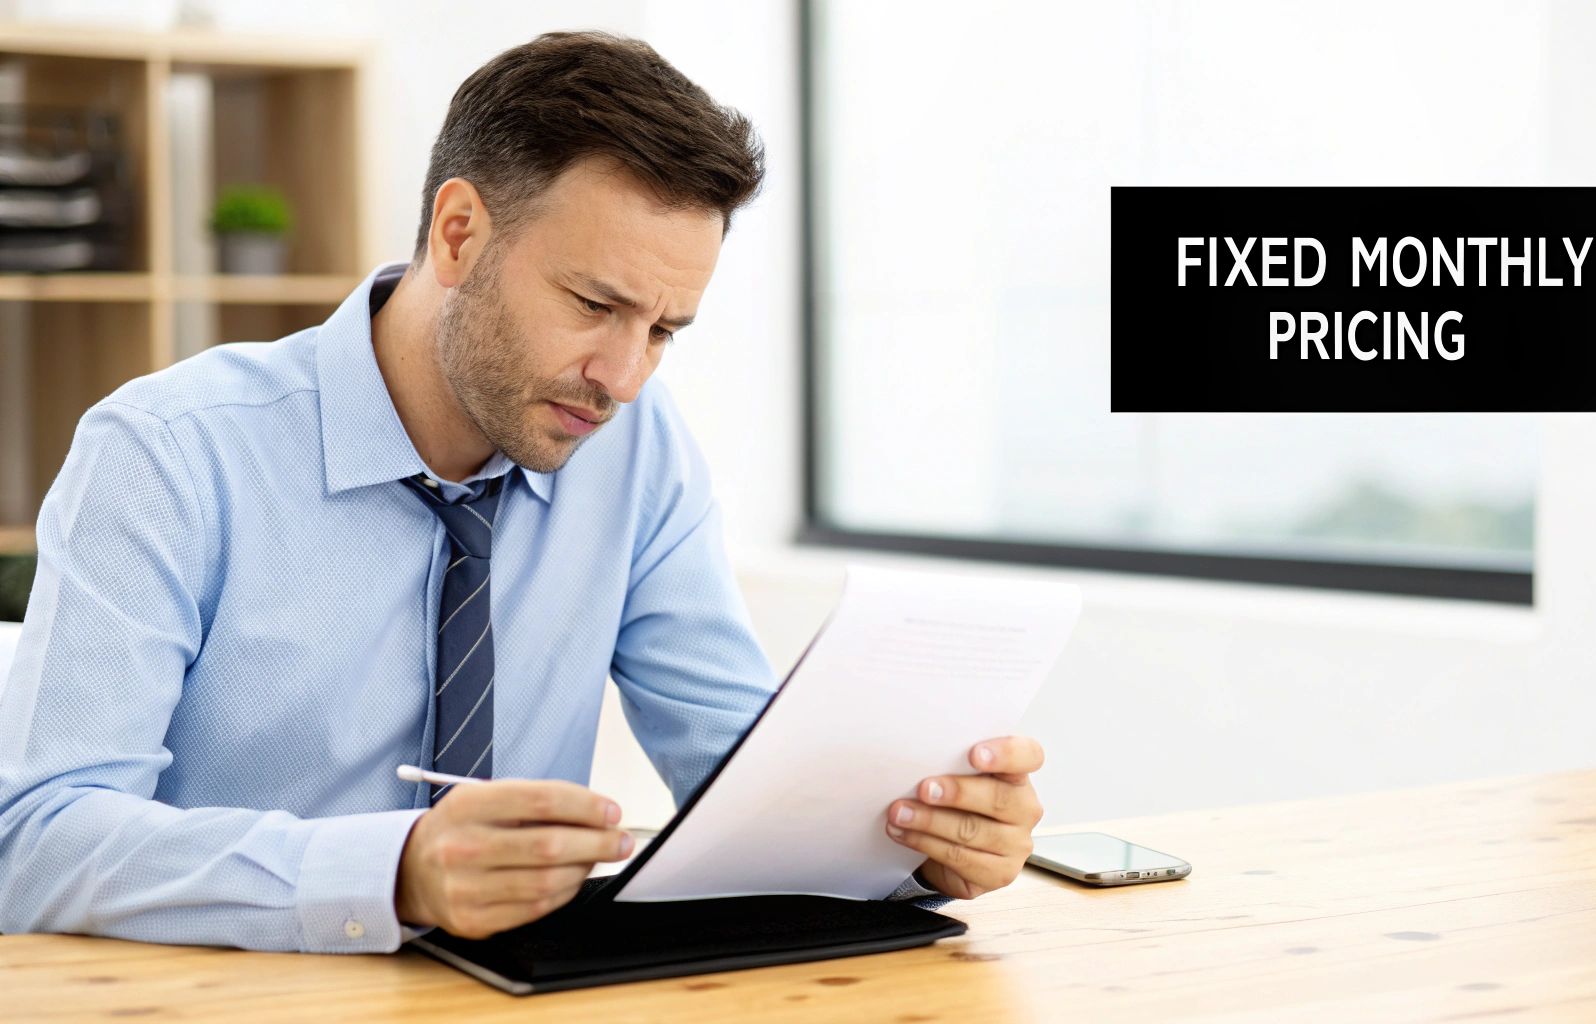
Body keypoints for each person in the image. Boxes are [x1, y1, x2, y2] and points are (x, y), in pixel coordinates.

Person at [0, 31, 1046, 952]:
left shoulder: (634, 447)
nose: (625, 375)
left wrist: (912, 837)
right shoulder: (168, 453)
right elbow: (36, 838)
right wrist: (392, 870)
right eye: (595, 303)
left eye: (664, 330)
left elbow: (738, 773)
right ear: (458, 233)